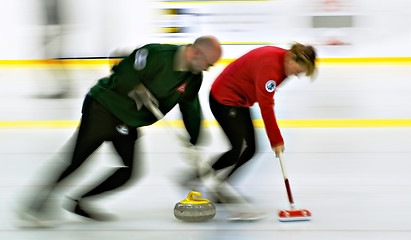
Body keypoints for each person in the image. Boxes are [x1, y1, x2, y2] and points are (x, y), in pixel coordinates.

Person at [18, 35, 222, 226]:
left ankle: (80, 201)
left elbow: (190, 108)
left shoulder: (194, 78)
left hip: (128, 121)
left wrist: (194, 141)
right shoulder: (156, 54)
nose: (208, 69)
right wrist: (134, 88)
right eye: (208, 64)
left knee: (128, 172)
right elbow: (122, 73)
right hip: (104, 108)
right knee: (76, 160)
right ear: (196, 53)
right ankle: (34, 207)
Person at [204, 43, 316, 203]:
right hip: (224, 98)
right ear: (291, 57)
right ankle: (202, 175)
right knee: (237, 148)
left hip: (239, 100)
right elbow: (266, 105)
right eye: (298, 70)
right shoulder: (270, 66)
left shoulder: (284, 64)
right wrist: (276, 139)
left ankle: (220, 185)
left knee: (251, 149)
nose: (297, 75)